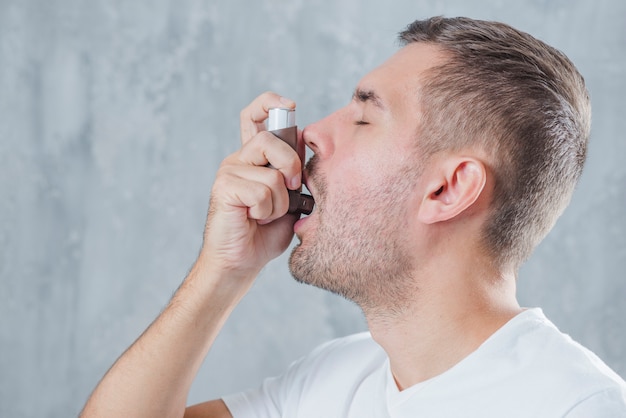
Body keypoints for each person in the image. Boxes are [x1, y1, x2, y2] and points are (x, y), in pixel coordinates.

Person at [80, 16, 626, 417]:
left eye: (364, 117)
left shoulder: (577, 406)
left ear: (447, 188)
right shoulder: (336, 379)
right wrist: (224, 270)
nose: (312, 132)